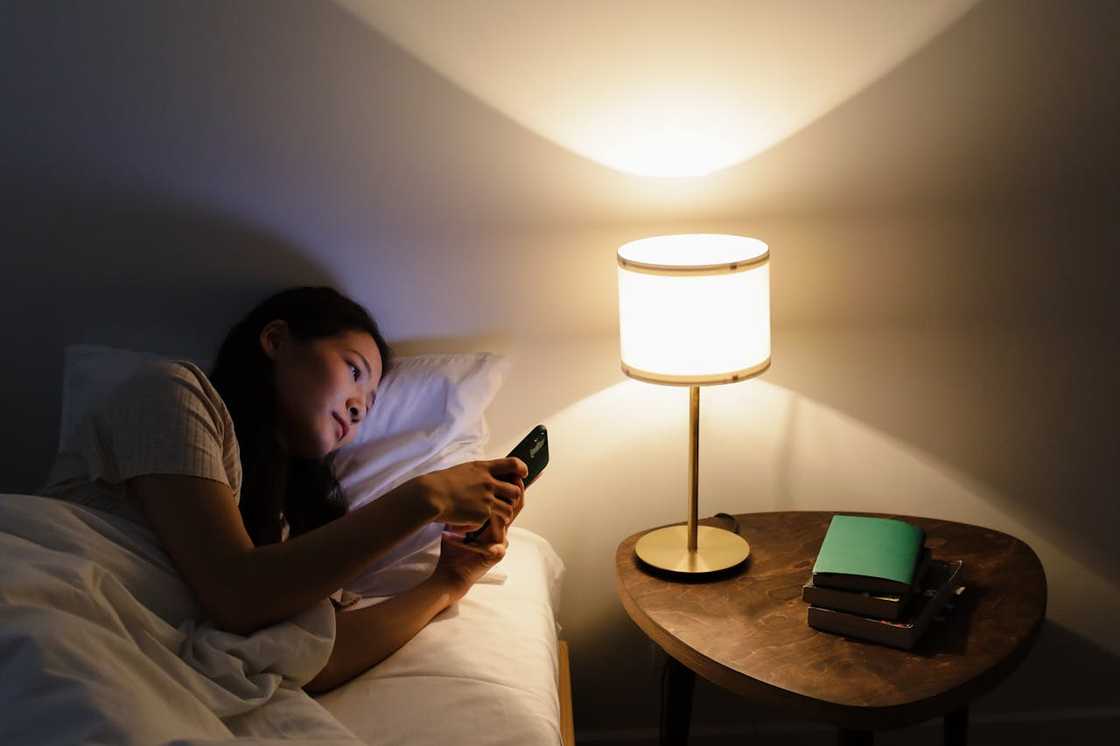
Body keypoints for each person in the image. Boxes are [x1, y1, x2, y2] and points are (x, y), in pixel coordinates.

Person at [38, 286, 528, 693]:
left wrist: (448, 582)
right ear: (275, 340)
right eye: (354, 371)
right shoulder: (171, 393)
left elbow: (311, 659)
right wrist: (425, 498)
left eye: (368, 403)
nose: (358, 407)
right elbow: (236, 593)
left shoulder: (284, 520)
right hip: (61, 614)